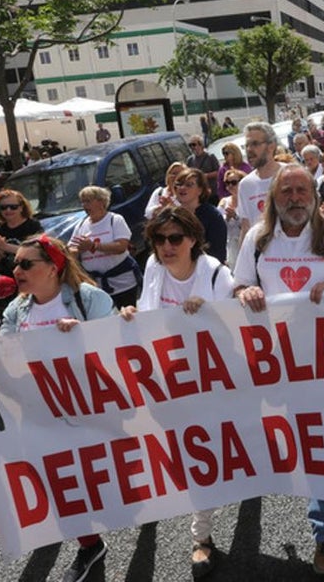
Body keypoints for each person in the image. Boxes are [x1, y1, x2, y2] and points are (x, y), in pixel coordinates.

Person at [0, 235, 117, 582]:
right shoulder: (17, 308)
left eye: (26, 264)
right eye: (15, 264)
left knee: (106, 476)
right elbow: (3, 359)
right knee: (57, 482)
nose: (17, 270)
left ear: (53, 268)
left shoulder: (88, 298)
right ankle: (90, 544)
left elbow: (119, 347)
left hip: (87, 408)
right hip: (38, 412)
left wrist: (84, 335)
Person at [232, 165, 324, 576]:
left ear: (314, 194)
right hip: (280, 362)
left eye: (301, 190)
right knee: (310, 441)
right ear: (273, 198)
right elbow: (237, 285)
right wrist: (246, 291)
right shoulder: (258, 238)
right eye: (285, 191)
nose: (294, 198)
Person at [118, 207, 235, 580]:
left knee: (213, 453)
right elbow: (148, 315)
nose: (166, 246)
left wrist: (210, 314)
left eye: (175, 238)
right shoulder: (154, 267)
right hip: (168, 382)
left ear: (193, 239)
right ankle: (198, 527)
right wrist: (132, 315)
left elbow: (239, 331)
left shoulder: (216, 274)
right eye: (159, 239)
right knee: (186, 454)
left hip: (210, 383)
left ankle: (210, 526)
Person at [69, 185, 141, 309]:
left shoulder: (115, 220)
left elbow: (121, 247)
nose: (84, 205)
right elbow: (71, 251)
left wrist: (93, 246)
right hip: (96, 287)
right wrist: (78, 249)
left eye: (88, 201)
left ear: (101, 202)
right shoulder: (80, 225)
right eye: (82, 202)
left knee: (128, 316)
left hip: (123, 283)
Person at [171, 167, 228, 264]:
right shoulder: (172, 215)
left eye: (189, 185)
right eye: (179, 184)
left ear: (200, 190)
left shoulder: (212, 216)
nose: (182, 188)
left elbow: (218, 253)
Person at [237, 122, 285, 237]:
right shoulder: (245, 184)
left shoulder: (291, 175)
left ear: (271, 146)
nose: (249, 149)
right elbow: (246, 226)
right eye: (247, 145)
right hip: (259, 247)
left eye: (255, 144)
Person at [0, 189, 43, 275]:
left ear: (21, 207)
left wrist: (6, 247)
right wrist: (0, 253)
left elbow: (37, 252)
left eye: (13, 207)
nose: (8, 210)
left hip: (31, 275)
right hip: (8, 277)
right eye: (3, 207)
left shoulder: (33, 226)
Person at [218, 168, 247, 268]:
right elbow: (218, 225)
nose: (230, 185)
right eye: (227, 183)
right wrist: (226, 218)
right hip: (229, 246)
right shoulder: (223, 202)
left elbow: (251, 224)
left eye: (234, 182)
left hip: (244, 244)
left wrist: (235, 216)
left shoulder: (247, 201)